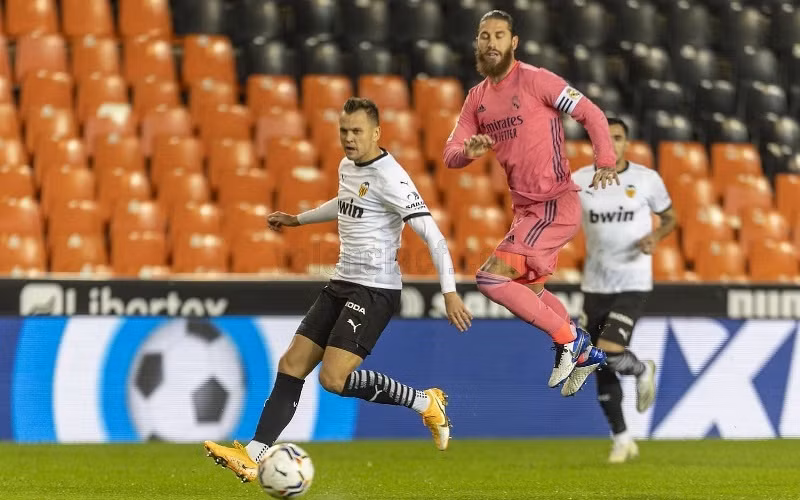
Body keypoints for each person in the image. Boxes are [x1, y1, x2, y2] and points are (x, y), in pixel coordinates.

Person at [205, 97, 473, 482]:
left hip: (375, 290)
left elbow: (433, 236)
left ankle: (424, 401)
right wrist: (298, 220)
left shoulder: (392, 177)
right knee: (291, 364)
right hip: (342, 282)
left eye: (357, 131)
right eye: (344, 131)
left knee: (332, 380)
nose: (348, 138)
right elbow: (346, 202)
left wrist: (449, 291)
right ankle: (253, 454)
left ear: (377, 133)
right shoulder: (348, 165)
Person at [443, 9, 617, 395]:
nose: (491, 43)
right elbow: (450, 154)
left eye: (499, 35)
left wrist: (605, 159)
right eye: (484, 36)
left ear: (513, 42)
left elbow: (591, 113)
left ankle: (569, 339)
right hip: (527, 211)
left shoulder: (538, 81)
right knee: (530, 291)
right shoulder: (477, 100)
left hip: (555, 202)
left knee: (490, 278)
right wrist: (469, 151)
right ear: (477, 42)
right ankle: (585, 353)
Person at [572, 117, 676, 463]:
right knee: (596, 361)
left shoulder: (646, 179)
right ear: (594, 143)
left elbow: (671, 217)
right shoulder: (578, 181)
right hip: (594, 284)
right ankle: (621, 438)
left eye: (617, 138)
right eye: (604, 137)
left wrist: (655, 237)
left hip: (632, 281)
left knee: (608, 348)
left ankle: (643, 369)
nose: (611, 143)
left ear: (626, 143)